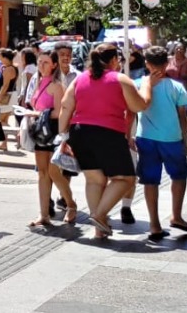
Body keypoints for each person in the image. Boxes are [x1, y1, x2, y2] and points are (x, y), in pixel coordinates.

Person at [56, 43, 147, 240]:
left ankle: (100, 228)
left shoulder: (80, 79)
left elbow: (65, 105)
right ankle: (98, 215)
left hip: (79, 132)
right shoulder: (120, 79)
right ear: (114, 60)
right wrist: (147, 89)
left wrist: (63, 133)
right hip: (108, 132)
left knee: (95, 180)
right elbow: (138, 105)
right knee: (125, 179)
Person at [135, 45, 187, 241]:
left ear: (147, 64)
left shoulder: (139, 84)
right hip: (172, 139)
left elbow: (131, 111)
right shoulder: (177, 87)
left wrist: (129, 136)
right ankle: (176, 215)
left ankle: (154, 224)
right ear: (167, 63)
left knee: (150, 181)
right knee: (179, 176)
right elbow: (183, 116)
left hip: (146, 138)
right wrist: (185, 141)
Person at [27, 49, 77, 227]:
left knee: (54, 172)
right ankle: (44, 214)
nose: (41, 65)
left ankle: (70, 203)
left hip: (53, 131)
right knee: (42, 173)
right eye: (40, 62)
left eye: (46, 62)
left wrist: (36, 113)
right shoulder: (38, 81)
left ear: (54, 64)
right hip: (41, 131)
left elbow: (60, 111)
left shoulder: (57, 85)